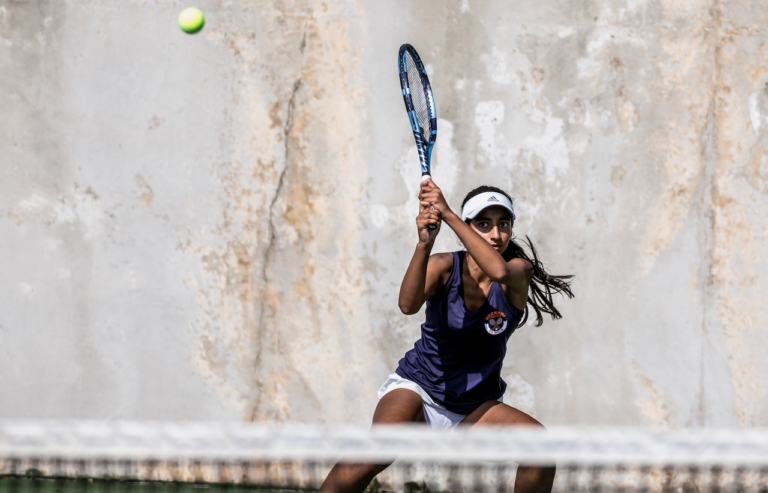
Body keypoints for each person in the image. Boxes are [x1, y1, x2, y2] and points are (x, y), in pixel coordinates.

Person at [319, 180, 574, 493]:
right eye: (483, 224)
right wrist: (424, 246)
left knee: (541, 450)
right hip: (419, 386)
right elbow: (407, 305)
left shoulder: (518, 271)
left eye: (503, 224)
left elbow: (498, 272)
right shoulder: (442, 266)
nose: (496, 234)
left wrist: (448, 214)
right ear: (469, 226)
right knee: (374, 452)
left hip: (474, 405)